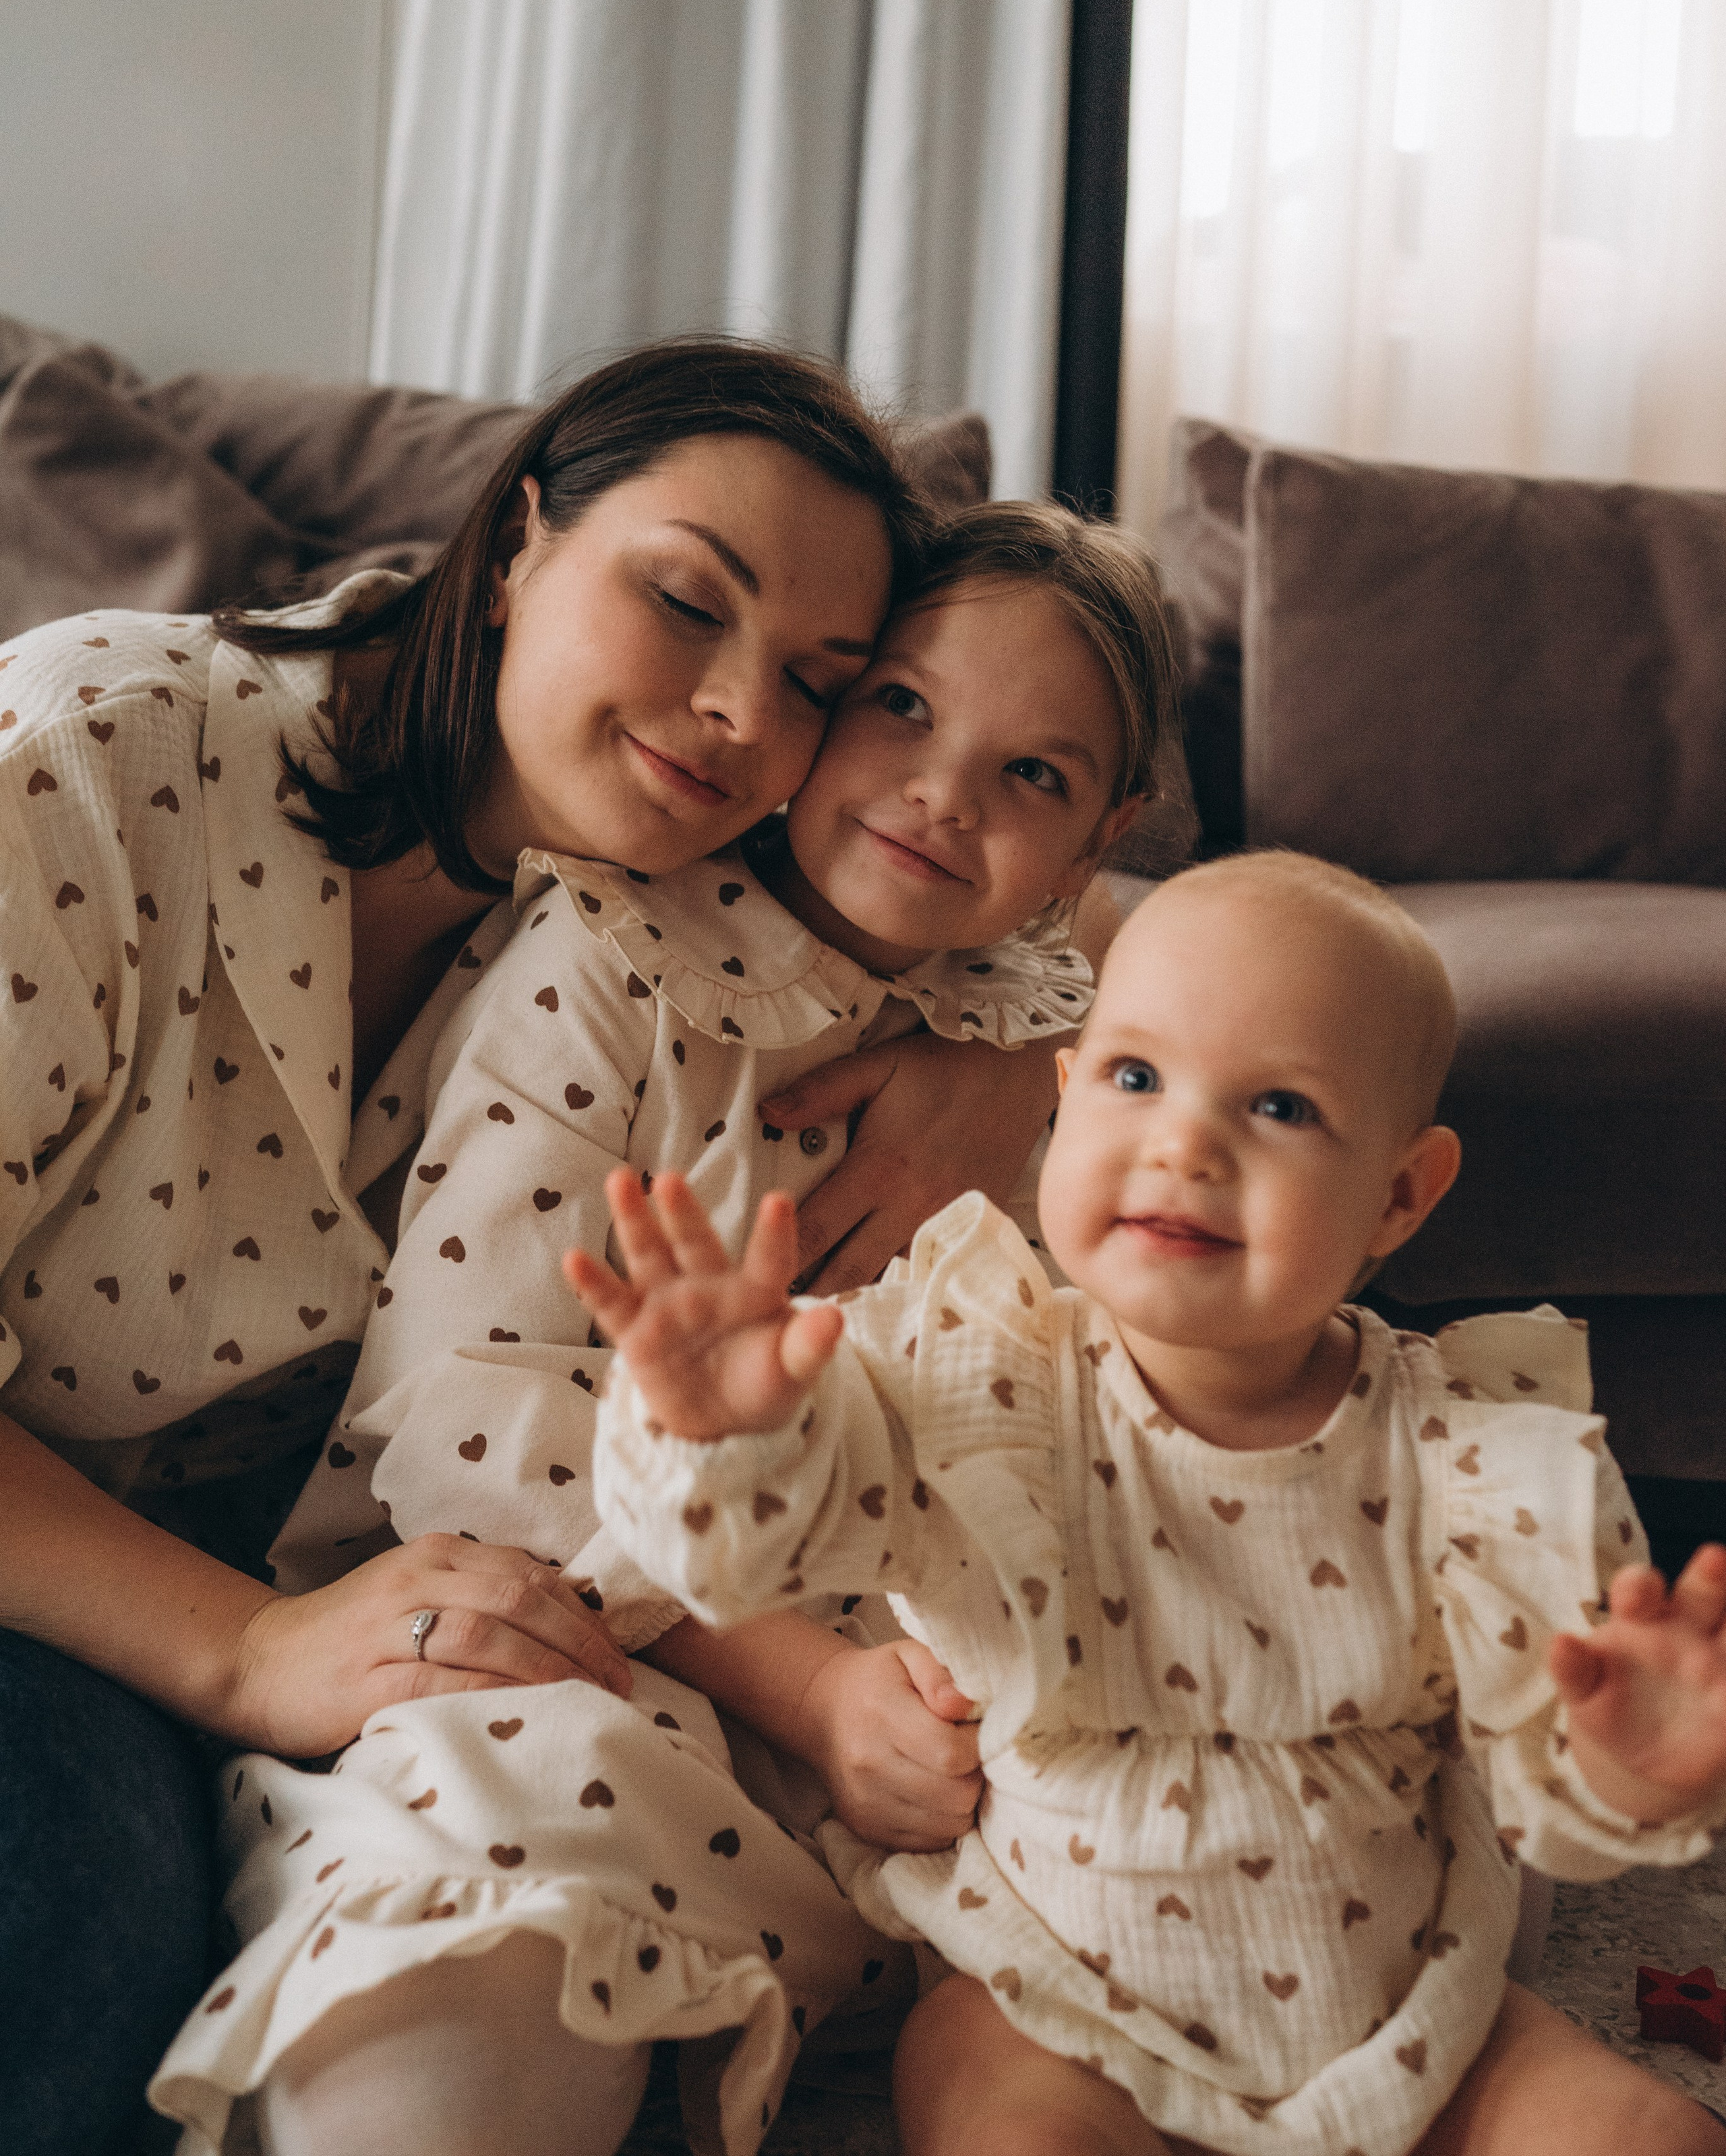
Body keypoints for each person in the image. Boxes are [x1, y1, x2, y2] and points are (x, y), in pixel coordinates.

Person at [0, 339, 1064, 2156]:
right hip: (79, 1585)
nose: (734, 713)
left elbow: (1111, 886)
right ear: (514, 542)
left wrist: (1023, 1067)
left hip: (282, 1606)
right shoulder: (101, 754)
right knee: (77, 1938)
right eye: (686, 600)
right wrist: (247, 1650)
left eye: (815, 684)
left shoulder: (668, 898)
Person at [589, 852, 1726, 2156]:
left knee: (1648, 2137)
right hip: (1060, 2006)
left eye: (1280, 1106)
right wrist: (726, 1430)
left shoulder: (1472, 1450)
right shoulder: (971, 1373)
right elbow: (748, 1546)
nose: (1185, 1144)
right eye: (1136, 1079)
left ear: (1400, 1195)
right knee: (999, 2116)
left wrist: (1631, 1762)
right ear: (1064, 1099)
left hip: (1414, 2013)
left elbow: (1551, 1793)